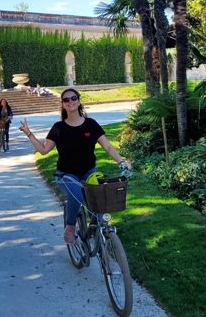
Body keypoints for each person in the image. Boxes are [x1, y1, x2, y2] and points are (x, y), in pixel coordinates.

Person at [18, 88, 131, 244]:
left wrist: (121, 162)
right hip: (66, 175)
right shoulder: (59, 128)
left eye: (73, 98)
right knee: (77, 196)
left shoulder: (91, 125)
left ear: (78, 101)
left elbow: (108, 147)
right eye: (66, 100)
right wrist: (29, 134)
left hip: (89, 173)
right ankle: (70, 227)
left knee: (99, 208)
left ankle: (106, 253)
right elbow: (43, 150)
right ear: (63, 104)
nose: (70, 101)